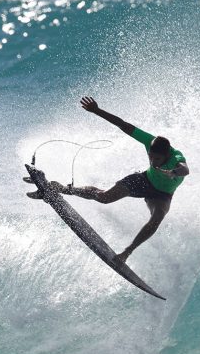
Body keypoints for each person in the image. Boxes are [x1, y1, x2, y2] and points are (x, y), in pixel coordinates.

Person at [52, 96, 189, 264]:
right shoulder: (150, 141)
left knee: (157, 218)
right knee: (103, 197)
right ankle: (62, 189)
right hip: (144, 180)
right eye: (150, 157)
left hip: (162, 194)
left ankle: (126, 253)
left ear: (166, 154)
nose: (153, 162)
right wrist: (97, 110)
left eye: (157, 159)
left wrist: (174, 172)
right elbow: (123, 125)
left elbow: (185, 169)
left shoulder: (176, 156)